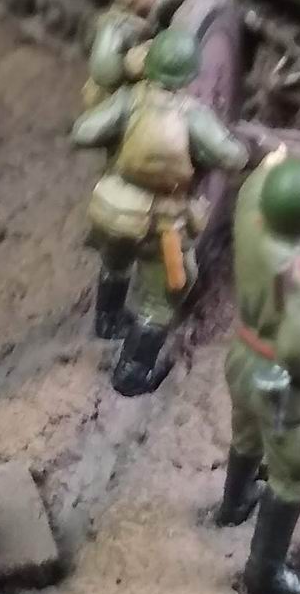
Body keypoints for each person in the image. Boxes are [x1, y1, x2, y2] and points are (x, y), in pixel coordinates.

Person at [70, 26, 248, 394]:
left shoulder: (128, 100)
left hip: (111, 209)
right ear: (189, 75)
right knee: (163, 297)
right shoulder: (193, 116)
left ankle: (107, 322)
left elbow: (84, 131)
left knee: (115, 262)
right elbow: (233, 157)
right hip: (160, 223)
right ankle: (132, 373)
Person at [218, 150, 300, 594]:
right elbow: (296, 349)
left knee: (245, 433)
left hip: (242, 354)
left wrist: (268, 166)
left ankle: (234, 504)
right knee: (293, 472)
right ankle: (264, 575)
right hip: (279, 379)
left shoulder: (250, 224)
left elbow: (252, 191)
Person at [81, 0, 223, 110]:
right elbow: (103, 70)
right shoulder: (115, 27)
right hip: (119, 96)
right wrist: (128, 65)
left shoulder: (143, 13)